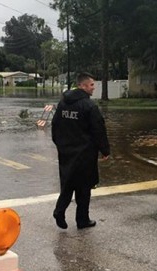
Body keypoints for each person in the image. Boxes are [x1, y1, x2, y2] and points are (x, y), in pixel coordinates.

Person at [51, 72, 110, 230]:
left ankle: (59, 210)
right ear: (83, 86)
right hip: (85, 154)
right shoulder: (89, 106)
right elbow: (99, 130)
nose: (93, 88)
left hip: (66, 152)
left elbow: (55, 125)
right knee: (84, 187)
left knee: (68, 183)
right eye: (91, 85)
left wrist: (60, 144)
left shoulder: (63, 103)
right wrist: (105, 150)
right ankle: (82, 220)